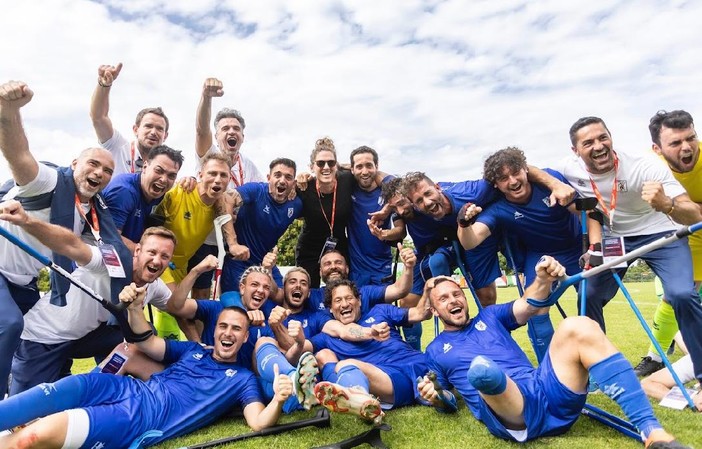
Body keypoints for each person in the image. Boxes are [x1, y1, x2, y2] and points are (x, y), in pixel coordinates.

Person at [419, 257, 691, 448]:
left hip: (545, 389)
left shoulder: (490, 316)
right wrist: (436, 397)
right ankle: (492, 380)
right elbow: (447, 400)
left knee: (577, 325)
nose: (453, 300)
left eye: (456, 294)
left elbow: (528, 305)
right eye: (443, 298)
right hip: (511, 410)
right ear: (433, 311)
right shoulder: (433, 351)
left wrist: (541, 278)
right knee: (482, 371)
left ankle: (651, 431)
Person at [0, 292, 293, 448]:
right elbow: (148, 343)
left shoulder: (242, 380)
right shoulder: (193, 350)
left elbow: (257, 422)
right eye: (223, 326)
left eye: (236, 329)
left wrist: (278, 399)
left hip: (141, 417)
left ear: (244, 337)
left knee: (32, 438)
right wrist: (136, 308)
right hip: (123, 387)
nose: (228, 333)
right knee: (45, 393)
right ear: (214, 331)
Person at [0, 80, 127, 398]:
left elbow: (110, 257)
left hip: (24, 282)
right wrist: (10, 113)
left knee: (46, 330)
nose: (99, 172)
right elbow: (19, 155)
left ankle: (51, 381)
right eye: (93, 164)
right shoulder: (49, 182)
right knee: (11, 325)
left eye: (107, 170)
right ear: (75, 165)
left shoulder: (96, 213)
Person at [554, 116, 702, 384]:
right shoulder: (567, 168)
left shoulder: (643, 165)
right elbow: (530, 171)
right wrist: (554, 184)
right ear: (575, 151)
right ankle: (599, 373)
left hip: (660, 233)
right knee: (589, 294)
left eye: (603, 138)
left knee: (681, 293)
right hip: (615, 239)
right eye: (588, 143)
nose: (599, 146)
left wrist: (666, 203)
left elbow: (694, 215)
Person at [0, 199, 176, 394]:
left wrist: (196, 273)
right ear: (137, 251)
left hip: (81, 339)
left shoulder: (155, 286)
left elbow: (183, 308)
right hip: (43, 339)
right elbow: (72, 246)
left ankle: (111, 383)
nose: (157, 260)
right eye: (152, 252)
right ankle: (19, 377)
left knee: (144, 332)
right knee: (24, 415)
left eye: (165, 256)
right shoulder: (111, 261)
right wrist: (26, 220)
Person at [457, 147, 591, 361]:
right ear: (496, 185)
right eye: (503, 178)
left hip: (577, 248)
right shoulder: (499, 208)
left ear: (525, 170)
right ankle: (552, 370)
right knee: (535, 310)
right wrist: (463, 223)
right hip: (541, 257)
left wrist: (595, 244)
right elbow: (471, 241)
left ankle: (594, 360)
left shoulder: (549, 180)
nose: (512, 181)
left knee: (590, 300)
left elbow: (588, 211)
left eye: (516, 172)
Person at [634, 110, 702, 376]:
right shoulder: (648, 166)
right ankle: (656, 356)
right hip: (687, 231)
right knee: (679, 296)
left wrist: (686, 207)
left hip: (687, 219)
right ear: (657, 148)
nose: (686, 147)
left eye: (691, 138)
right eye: (675, 143)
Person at [308, 278, 432, 424]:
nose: (345, 304)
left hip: (420, 366)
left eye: (349, 298)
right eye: (338, 300)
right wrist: (293, 336)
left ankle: (355, 398)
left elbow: (420, 314)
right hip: (391, 383)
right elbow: (298, 349)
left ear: (359, 301)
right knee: (336, 361)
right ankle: (361, 401)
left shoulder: (380, 311)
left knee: (345, 365)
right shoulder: (327, 337)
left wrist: (428, 289)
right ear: (330, 308)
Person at [190, 77, 265, 299]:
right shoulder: (209, 154)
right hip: (205, 238)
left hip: (236, 242)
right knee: (202, 294)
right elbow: (201, 129)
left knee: (232, 294)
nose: (231, 132)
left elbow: (264, 196)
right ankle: (200, 334)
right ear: (218, 135)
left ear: (242, 136)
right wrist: (206, 97)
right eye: (225, 128)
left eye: (236, 129)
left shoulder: (249, 165)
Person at [154, 151, 233, 339]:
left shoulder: (218, 204)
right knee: (179, 307)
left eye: (223, 175)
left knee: (173, 314)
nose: (217, 179)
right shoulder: (180, 191)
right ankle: (199, 350)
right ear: (200, 175)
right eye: (212, 173)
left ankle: (181, 354)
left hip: (180, 268)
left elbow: (231, 203)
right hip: (159, 261)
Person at [219, 157, 303, 294]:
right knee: (238, 308)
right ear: (269, 177)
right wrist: (233, 244)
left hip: (265, 262)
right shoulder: (257, 191)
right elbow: (226, 199)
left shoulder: (296, 204)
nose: (282, 180)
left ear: (293, 183)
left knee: (282, 297)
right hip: (239, 261)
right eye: (277, 175)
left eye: (288, 177)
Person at [90, 62, 169, 175]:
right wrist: (104, 85)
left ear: (165, 136)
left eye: (160, 129)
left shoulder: (164, 168)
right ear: (135, 129)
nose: (153, 132)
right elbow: (98, 117)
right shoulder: (117, 146)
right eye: (148, 126)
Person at [296, 137, 355, 288]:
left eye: (331, 162)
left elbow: (366, 170)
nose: (326, 167)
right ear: (312, 166)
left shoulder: (348, 180)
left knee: (343, 291)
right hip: (309, 250)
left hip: (339, 246)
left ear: (337, 165)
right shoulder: (304, 187)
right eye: (320, 163)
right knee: (308, 293)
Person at [102, 144, 184, 252]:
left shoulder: (160, 193)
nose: (164, 179)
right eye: (159, 171)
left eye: (171, 176)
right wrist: (148, 254)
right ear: (145, 167)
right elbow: (110, 239)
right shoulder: (124, 191)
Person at [348, 146, 395, 285]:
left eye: (369, 165)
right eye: (359, 166)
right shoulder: (348, 187)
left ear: (377, 166)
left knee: (382, 307)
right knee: (357, 306)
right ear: (352, 169)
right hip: (356, 269)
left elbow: (401, 231)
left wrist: (384, 234)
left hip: (382, 267)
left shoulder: (389, 192)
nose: (364, 171)